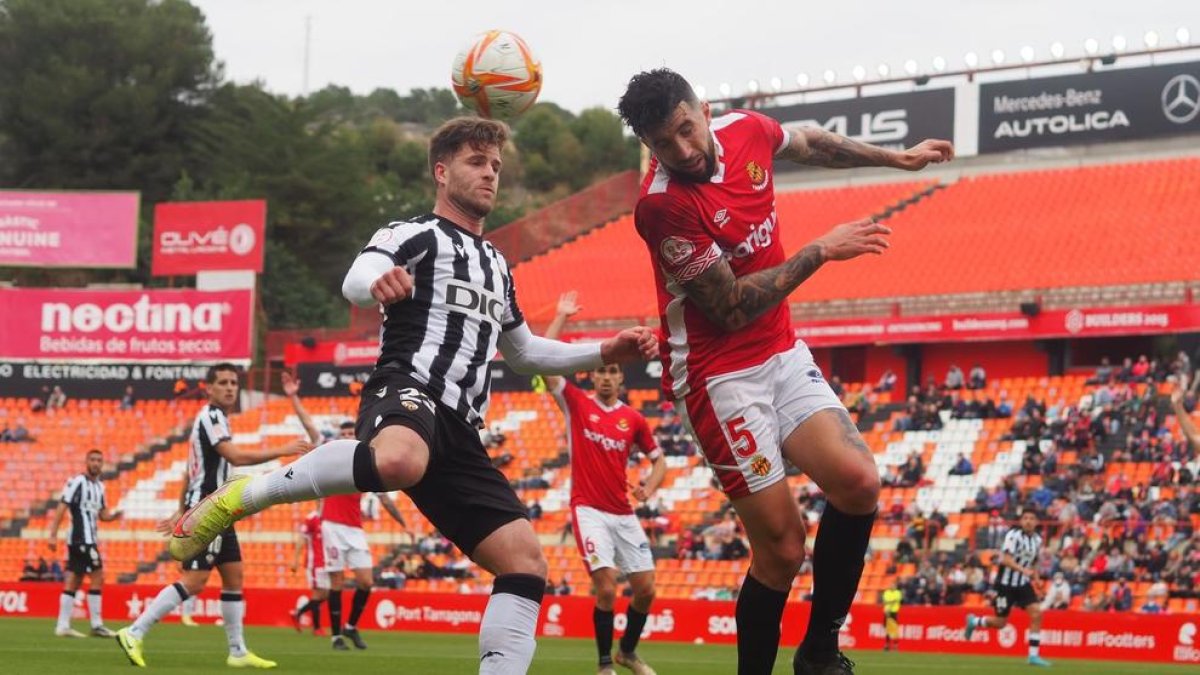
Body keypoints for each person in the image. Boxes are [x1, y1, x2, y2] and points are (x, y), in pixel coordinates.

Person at [168, 117, 657, 674]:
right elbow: (359, 275)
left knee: (525, 562)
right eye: (477, 162)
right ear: (442, 171)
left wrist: (606, 351)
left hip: (462, 430)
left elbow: (525, 354)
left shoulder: (498, 266)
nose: (490, 174)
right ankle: (241, 496)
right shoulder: (414, 234)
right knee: (399, 460)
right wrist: (375, 283)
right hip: (407, 386)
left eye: (496, 165)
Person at [618, 67, 952, 675]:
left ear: (706, 108)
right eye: (665, 143)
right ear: (649, 145)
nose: (684, 150)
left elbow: (812, 142)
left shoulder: (746, 128)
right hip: (720, 376)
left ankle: (820, 650)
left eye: (687, 130)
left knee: (859, 483)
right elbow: (732, 307)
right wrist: (820, 250)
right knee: (782, 549)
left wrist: (896, 159)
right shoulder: (662, 206)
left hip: (782, 351)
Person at [116, 365, 312, 669]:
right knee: (194, 581)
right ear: (209, 388)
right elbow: (234, 457)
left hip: (219, 507)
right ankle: (134, 630)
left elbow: (189, 469)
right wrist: (283, 449)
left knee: (234, 577)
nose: (230, 388)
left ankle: (237, 651)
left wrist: (181, 508)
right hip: (207, 510)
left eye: (233, 382)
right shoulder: (211, 416)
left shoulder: (217, 419)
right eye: (222, 383)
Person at [542, 291, 667, 675]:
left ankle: (627, 653)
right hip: (589, 509)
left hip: (623, 512)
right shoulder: (577, 403)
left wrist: (650, 486)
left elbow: (659, 460)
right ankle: (602, 665)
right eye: (602, 371)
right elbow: (544, 362)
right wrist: (561, 316)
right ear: (593, 374)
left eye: (614, 371)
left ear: (620, 377)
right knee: (608, 587)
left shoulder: (634, 419)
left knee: (646, 590)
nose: (608, 377)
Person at [319, 423, 409, 651]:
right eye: (344, 434)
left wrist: (404, 524)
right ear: (339, 438)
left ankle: (350, 626)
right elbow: (311, 431)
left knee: (366, 581)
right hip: (332, 526)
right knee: (337, 582)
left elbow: (385, 499)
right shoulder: (329, 462)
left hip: (355, 529)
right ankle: (336, 636)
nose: (348, 437)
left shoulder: (366, 465)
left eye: (351, 434)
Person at [47, 448, 122, 637]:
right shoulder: (77, 482)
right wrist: (53, 534)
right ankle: (96, 625)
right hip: (80, 538)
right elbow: (62, 506)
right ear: (86, 462)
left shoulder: (100, 487)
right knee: (98, 574)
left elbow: (102, 514)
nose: (96, 463)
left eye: (99, 460)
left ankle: (62, 626)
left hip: (89, 538)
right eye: (93, 460)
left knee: (75, 579)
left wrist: (113, 517)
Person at [964, 509, 1051, 667]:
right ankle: (974, 621)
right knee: (1000, 623)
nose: (1028, 521)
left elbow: (1034, 562)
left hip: (1023, 583)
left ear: (1037, 522)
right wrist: (1024, 570)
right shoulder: (1013, 536)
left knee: (1037, 613)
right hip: (1005, 584)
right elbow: (1005, 560)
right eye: (1025, 518)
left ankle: (1033, 656)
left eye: (1032, 518)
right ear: (1021, 521)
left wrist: (1037, 579)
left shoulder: (1038, 540)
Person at [291, 509, 328, 636]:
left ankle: (298, 613)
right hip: (315, 563)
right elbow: (302, 539)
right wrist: (295, 559)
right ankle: (317, 628)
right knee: (318, 595)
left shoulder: (329, 517)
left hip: (327, 562)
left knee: (327, 594)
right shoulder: (311, 518)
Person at [881, 580, 902, 652]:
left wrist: (889, 602)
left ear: (896, 586)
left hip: (894, 612)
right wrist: (891, 601)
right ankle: (887, 644)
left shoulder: (898, 592)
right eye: (891, 585)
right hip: (887, 612)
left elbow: (895, 600)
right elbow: (885, 601)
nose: (892, 586)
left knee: (894, 628)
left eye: (893, 585)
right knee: (888, 629)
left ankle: (895, 645)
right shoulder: (887, 592)